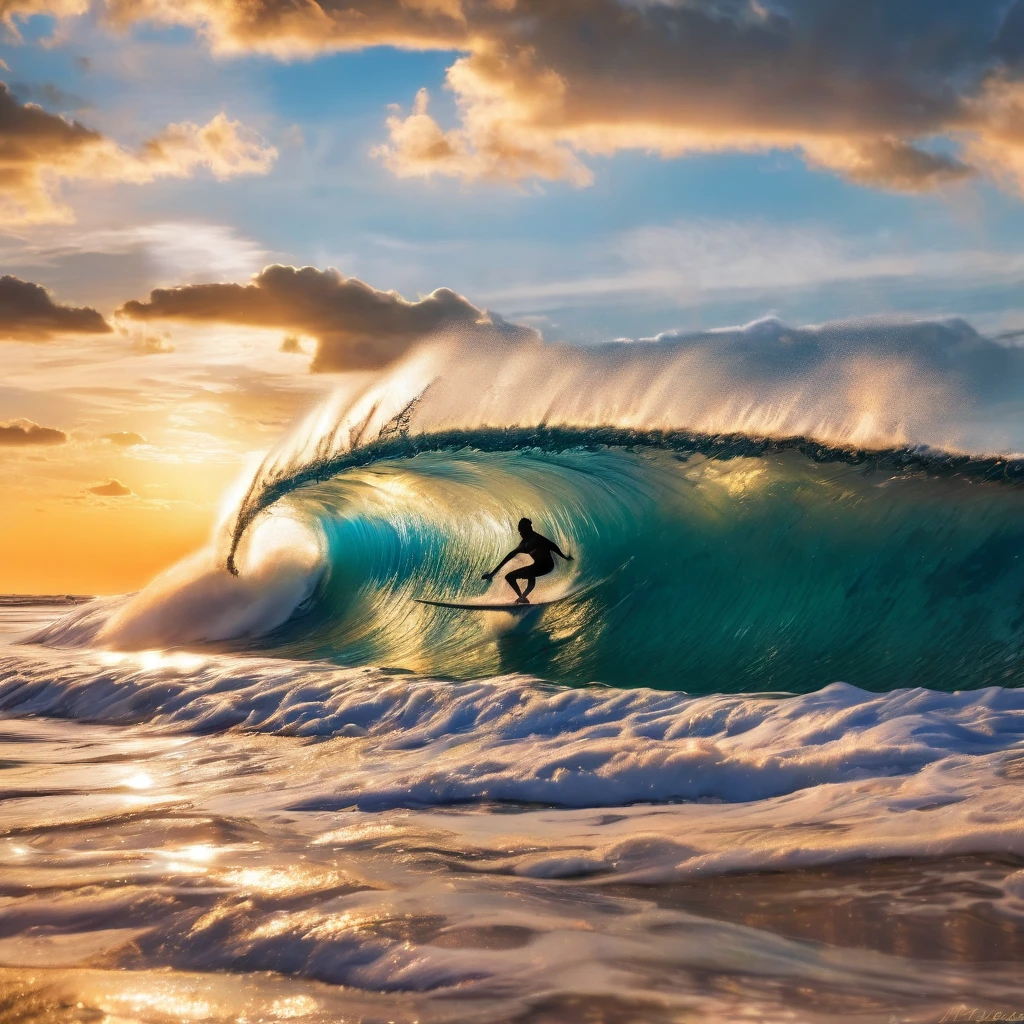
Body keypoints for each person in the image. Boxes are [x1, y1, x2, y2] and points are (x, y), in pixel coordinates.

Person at [482, 517, 573, 604]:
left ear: (528, 529)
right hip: (537, 566)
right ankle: (522, 597)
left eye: (522, 531)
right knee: (510, 576)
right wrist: (493, 573)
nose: (520, 534)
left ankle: (523, 597)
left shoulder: (538, 539)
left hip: (547, 565)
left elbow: (552, 546)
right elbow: (509, 556)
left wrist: (565, 557)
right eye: (519, 531)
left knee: (530, 572)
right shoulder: (524, 543)